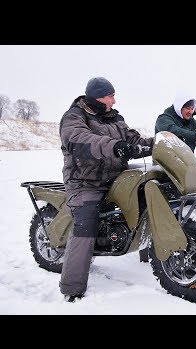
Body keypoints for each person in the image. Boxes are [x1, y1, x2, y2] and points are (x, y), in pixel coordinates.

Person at [59, 77, 154, 302]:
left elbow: (134, 139)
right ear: (99, 96)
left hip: (115, 178)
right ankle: (72, 287)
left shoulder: (115, 118)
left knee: (146, 194)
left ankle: (145, 255)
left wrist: (159, 142)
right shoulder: (74, 117)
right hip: (84, 182)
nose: (114, 99)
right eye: (111, 95)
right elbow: (81, 141)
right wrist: (116, 147)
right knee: (87, 219)